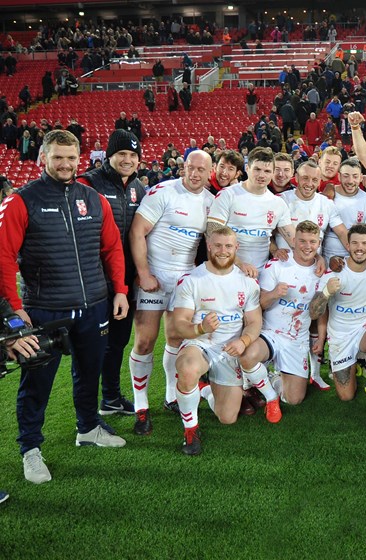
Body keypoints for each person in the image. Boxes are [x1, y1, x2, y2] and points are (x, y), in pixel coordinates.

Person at [0, 130, 130, 484]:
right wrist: (14, 309)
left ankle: (87, 427)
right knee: (36, 383)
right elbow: (3, 258)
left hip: (94, 306)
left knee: (90, 372)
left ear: (80, 159)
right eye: (58, 157)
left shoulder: (94, 198)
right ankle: (30, 449)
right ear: (43, 157)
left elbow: (112, 249)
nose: (65, 164)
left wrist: (119, 290)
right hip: (44, 310)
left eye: (71, 158)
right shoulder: (20, 201)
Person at [127, 150, 214, 436]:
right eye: (191, 167)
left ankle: (171, 397)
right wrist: (144, 274)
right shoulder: (162, 191)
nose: (195, 174)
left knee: (176, 338)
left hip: (184, 280)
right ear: (183, 167)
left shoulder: (210, 201)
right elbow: (137, 231)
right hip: (155, 277)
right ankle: (141, 407)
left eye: (201, 169)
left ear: (208, 172)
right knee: (145, 341)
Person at [170, 227, 262, 455]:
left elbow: (254, 321)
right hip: (199, 344)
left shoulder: (247, 282)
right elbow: (179, 323)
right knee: (188, 368)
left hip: (229, 349)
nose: (223, 251)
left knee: (228, 417)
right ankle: (190, 431)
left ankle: (206, 390)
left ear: (236, 248)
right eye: (218, 245)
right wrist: (200, 328)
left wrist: (244, 341)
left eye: (228, 246)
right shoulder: (192, 280)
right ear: (209, 246)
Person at [77, 129, 145, 417]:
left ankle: (111, 398)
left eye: (132, 155)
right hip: (94, 280)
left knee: (117, 341)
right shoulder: (87, 184)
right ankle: (88, 414)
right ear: (109, 155)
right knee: (92, 347)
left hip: (125, 282)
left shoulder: (139, 188)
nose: (127, 160)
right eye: (122, 154)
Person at [237, 221, 323, 408]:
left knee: (294, 399)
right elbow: (260, 304)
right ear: (293, 240)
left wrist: (321, 338)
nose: (307, 246)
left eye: (312, 241)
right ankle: (268, 394)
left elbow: (321, 312)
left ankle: (270, 378)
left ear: (319, 243)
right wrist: (274, 293)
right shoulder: (277, 265)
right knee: (248, 356)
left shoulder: (321, 272)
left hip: (297, 339)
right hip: (271, 333)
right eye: (302, 241)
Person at [309, 224, 366, 402]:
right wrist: (326, 292)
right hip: (340, 336)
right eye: (354, 243)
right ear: (348, 246)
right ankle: (354, 360)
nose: (359, 248)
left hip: (363, 329)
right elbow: (314, 313)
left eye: (364, 243)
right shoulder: (334, 273)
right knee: (346, 396)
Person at [206, 147, 295, 275]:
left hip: (261, 273)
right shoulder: (228, 195)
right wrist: (239, 263)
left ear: (272, 173)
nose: (262, 175)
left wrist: (316, 258)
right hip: (229, 270)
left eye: (267, 171)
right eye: (257, 169)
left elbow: (294, 240)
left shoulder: (278, 204)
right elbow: (212, 233)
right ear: (247, 168)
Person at [322, 159, 366, 261]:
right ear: (339, 176)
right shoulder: (327, 197)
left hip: (356, 259)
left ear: (361, 177)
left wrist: (362, 255)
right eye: (346, 176)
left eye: (355, 176)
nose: (350, 181)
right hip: (326, 257)